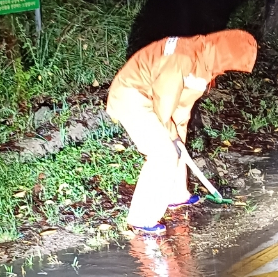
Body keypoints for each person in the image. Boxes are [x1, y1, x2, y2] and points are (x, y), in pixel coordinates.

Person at [106, 30, 257, 233]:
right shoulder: (183, 57)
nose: (228, 69)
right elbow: (163, 103)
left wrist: (178, 127)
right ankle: (141, 218)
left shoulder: (206, 59)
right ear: (226, 54)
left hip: (155, 100)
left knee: (178, 141)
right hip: (132, 97)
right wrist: (169, 130)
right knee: (164, 153)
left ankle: (176, 195)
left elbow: (183, 101)